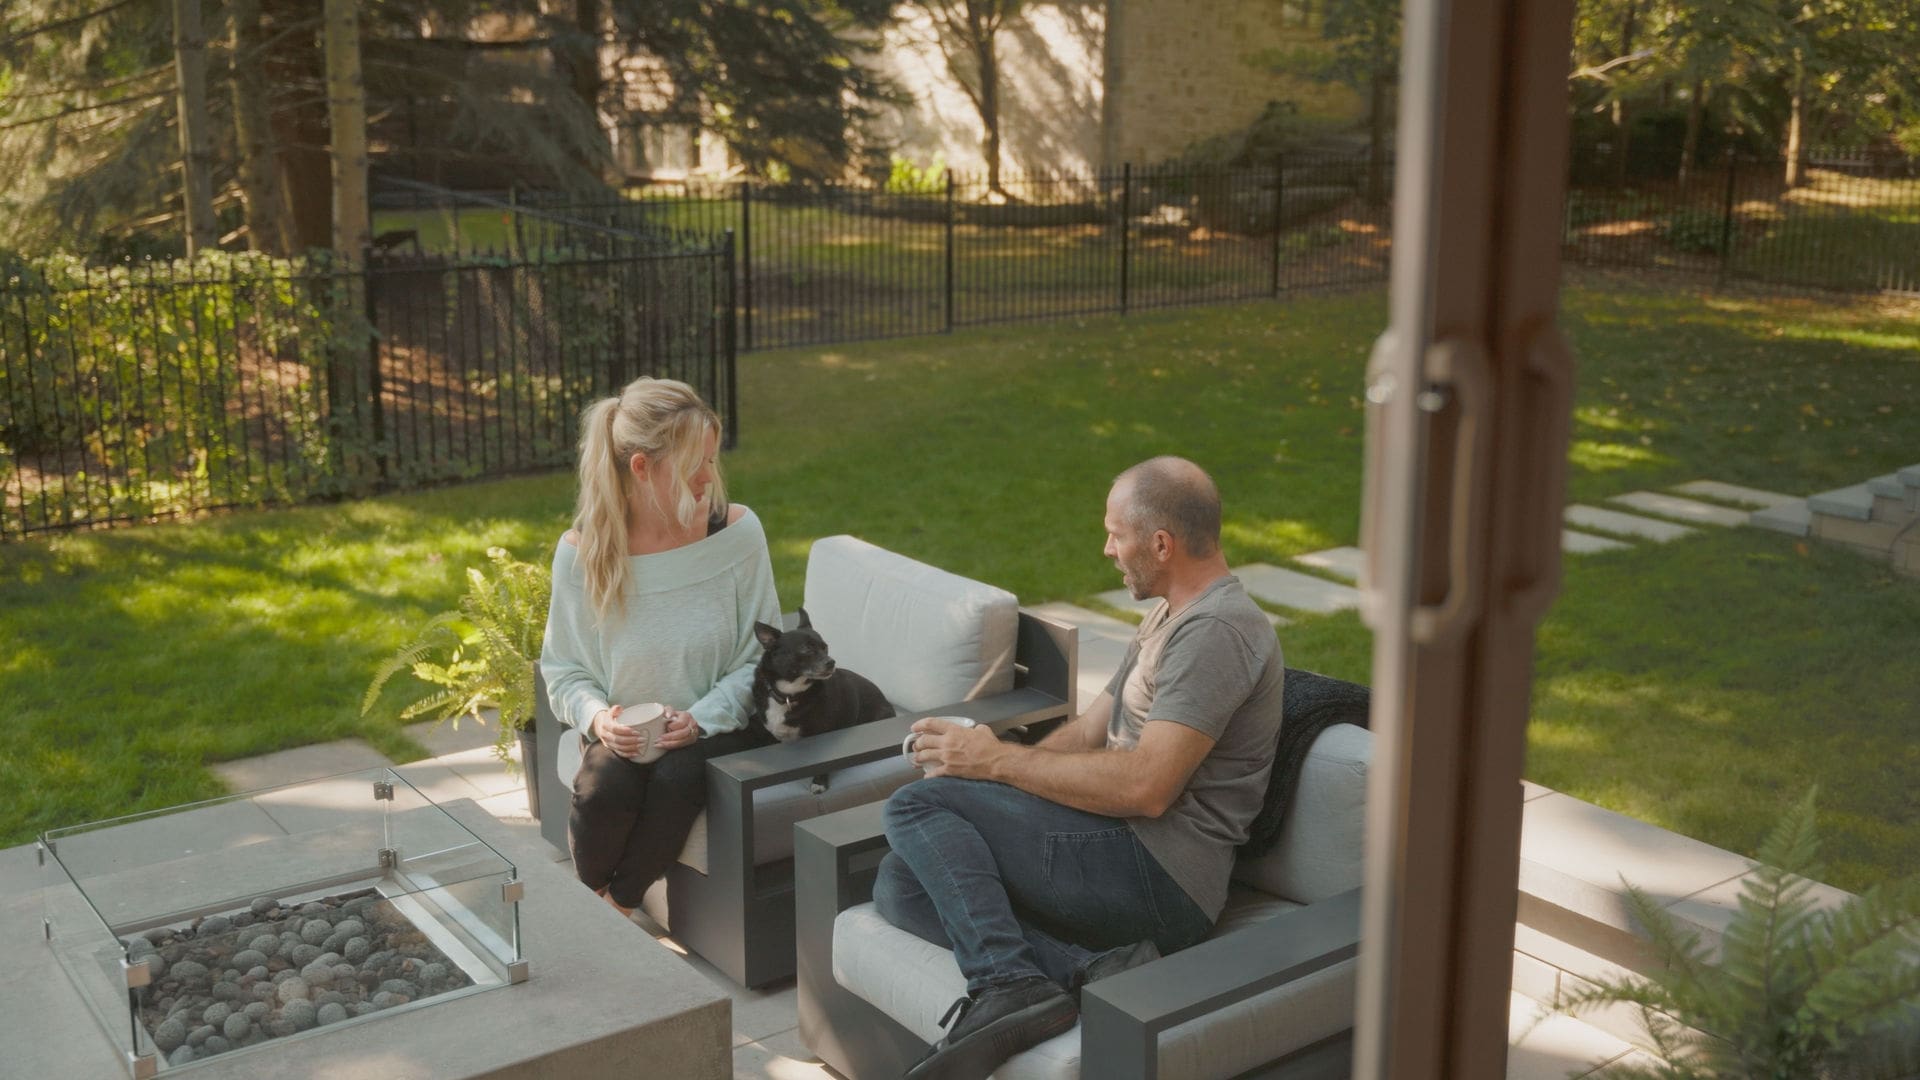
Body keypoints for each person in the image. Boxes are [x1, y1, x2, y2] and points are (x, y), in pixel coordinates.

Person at [876, 456, 1287, 1079]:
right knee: (901, 881)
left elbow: (1148, 788)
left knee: (916, 806)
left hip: (1162, 879)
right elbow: (1093, 729)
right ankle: (1085, 970)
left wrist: (995, 762)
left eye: (1116, 535)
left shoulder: (1218, 632)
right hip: (1118, 849)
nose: (1107, 549)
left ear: (1161, 544)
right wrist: (991, 770)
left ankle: (1007, 984)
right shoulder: (1168, 614)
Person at [539, 376, 779, 915]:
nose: (708, 477)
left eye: (711, 460)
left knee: (677, 774)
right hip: (628, 733)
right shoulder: (583, 553)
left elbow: (758, 658)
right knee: (602, 789)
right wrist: (600, 720)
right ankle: (598, 906)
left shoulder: (736, 533)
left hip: (719, 726)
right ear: (641, 467)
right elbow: (564, 671)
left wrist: (700, 720)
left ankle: (614, 911)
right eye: (694, 464)